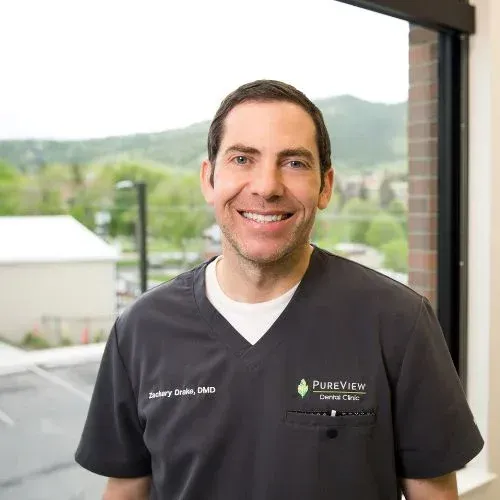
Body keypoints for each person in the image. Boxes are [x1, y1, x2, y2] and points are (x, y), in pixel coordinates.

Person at [75, 79, 484, 499]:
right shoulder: (142, 329)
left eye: (294, 163)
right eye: (242, 159)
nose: (267, 186)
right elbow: (125, 490)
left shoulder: (399, 323)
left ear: (325, 186)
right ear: (209, 178)